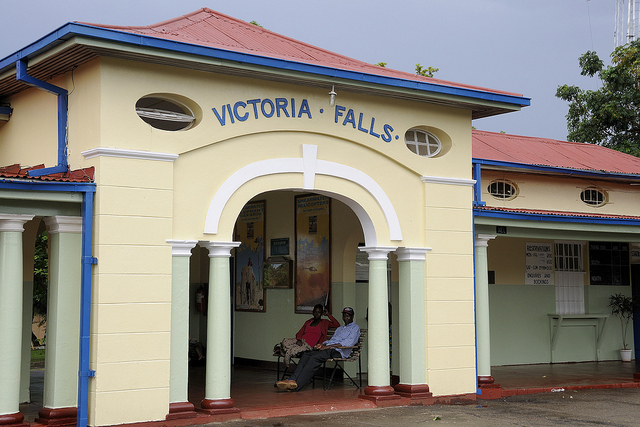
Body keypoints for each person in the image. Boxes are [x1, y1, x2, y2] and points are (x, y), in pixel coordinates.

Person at [276, 307, 360, 392]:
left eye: (348, 316)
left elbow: (349, 343)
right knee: (306, 355)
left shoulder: (355, 328)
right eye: (344, 315)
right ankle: (292, 380)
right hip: (329, 348)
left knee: (315, 358)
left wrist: (328, 346)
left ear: (352, 316)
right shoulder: (340, 329)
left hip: (339, 351)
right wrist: (322, 344)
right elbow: (331, 340)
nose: (346, 317)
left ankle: (297, 385)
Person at [275, 304, 340, 366]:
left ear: (322, 313)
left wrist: (328, 314)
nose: (316, 314)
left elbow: (337, 325)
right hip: (301, 341)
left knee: (292, 350)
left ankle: (286, 352)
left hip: (309, 345)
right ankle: (288, 350)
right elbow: (300, 332)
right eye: (315, 311)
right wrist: (299, 340)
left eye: (319, 312)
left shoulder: (325, 322)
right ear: (313, 312)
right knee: (285, 341)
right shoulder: (309, 322)